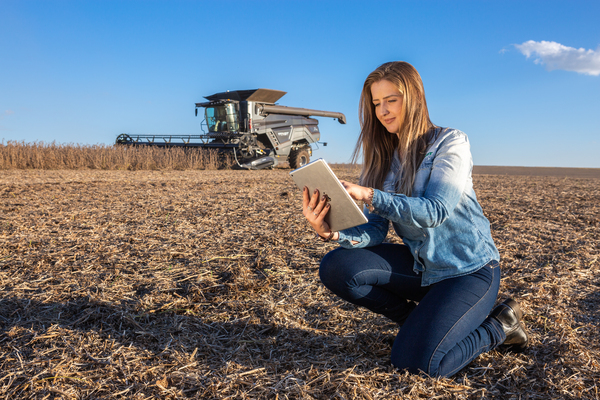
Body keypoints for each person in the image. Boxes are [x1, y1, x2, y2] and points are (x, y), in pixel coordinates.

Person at [301, 61, 528, 378]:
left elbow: (435, 211)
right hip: (423, 269)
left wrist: (370, 195)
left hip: (469, 272)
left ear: (414, 98)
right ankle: (417, 323)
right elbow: (376, 231)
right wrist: (330, 232)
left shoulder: (450, 143)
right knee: (337, 266)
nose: (382, 111)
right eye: (376, 103)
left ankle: (500, 326)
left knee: (416, 364)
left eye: (390, 100)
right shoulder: (383, 159)